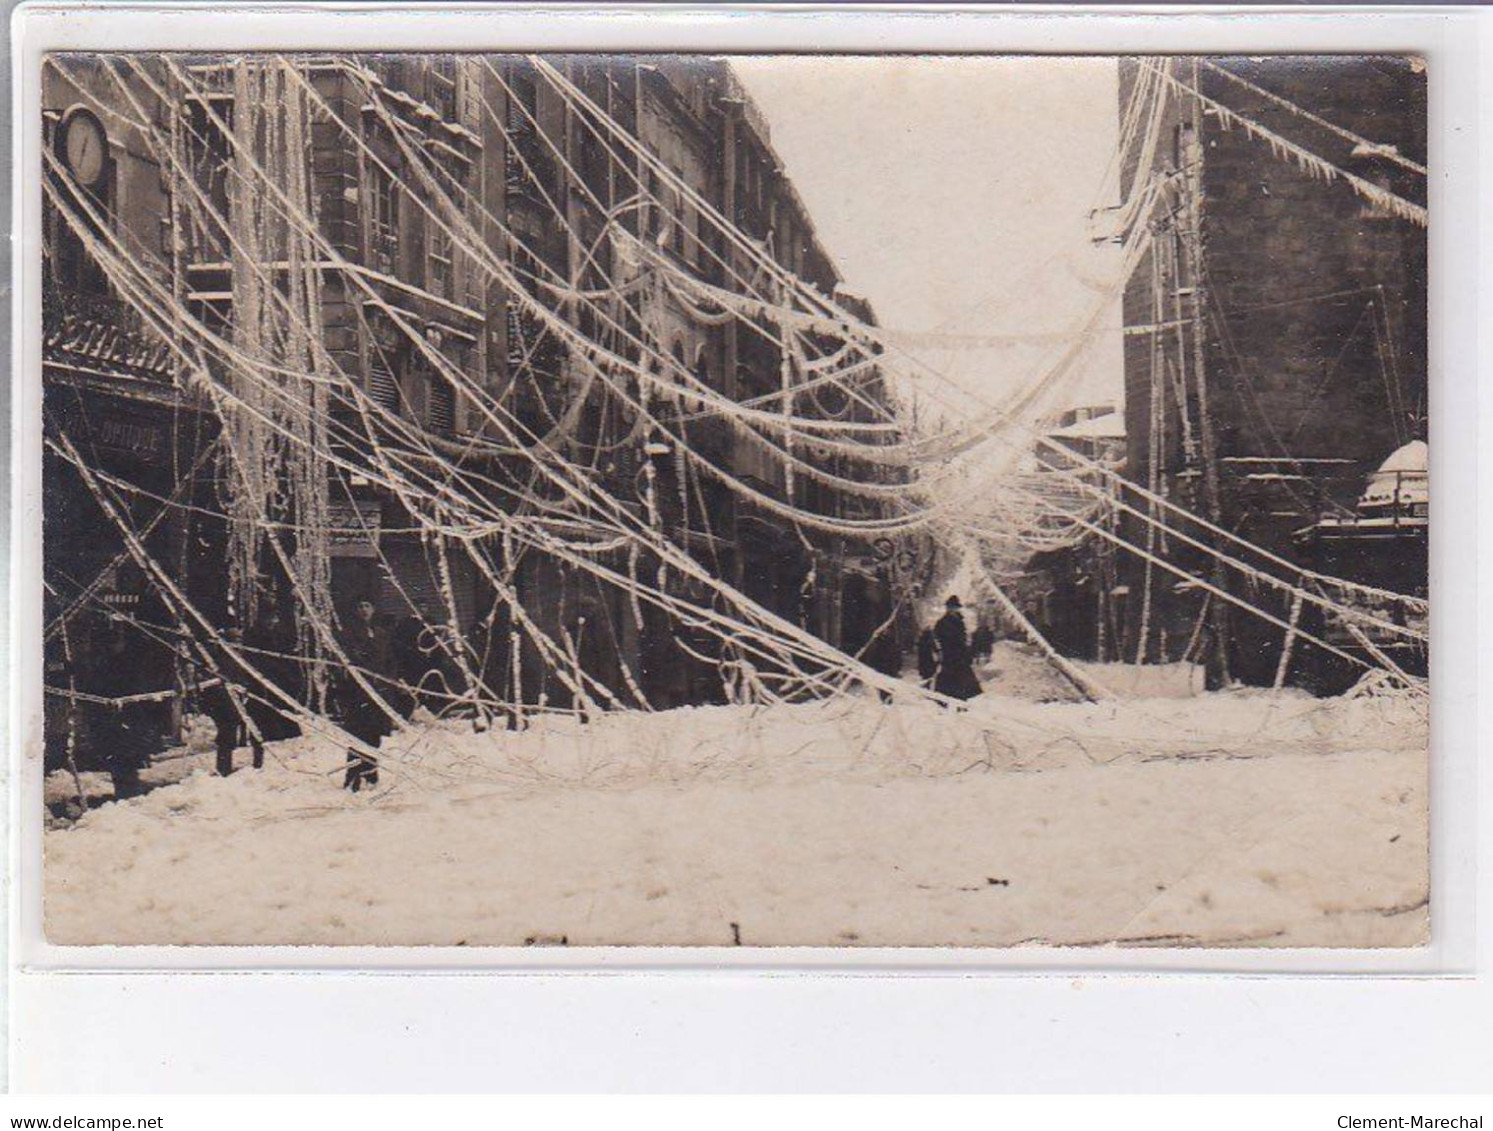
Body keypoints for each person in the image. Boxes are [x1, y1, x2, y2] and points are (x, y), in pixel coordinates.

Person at [335, 598, 394, 792]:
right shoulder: (348, 634)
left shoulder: (381, 633)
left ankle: (371, 773)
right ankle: (352, 777)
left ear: (373, 609)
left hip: (378, 691)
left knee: (374, 734)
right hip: (358, 691)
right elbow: (349, 661)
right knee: (357, 734)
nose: (364, 610)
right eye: (360, 606)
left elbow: (389, 661)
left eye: (367, 605)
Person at [243, 605, 303, 768]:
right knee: (261, 725)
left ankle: (286, 762)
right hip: (260, 686)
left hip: (279, 686)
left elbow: (288, 661)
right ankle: (260, 761)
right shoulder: (253, 636)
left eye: (273, 618)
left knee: (285, 725)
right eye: (267, 618)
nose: (271, 621)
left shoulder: (280, 636)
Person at [933, 595, 982, 702]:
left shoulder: (959, 620)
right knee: (949, 677)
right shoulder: (942, 622)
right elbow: (938, 636)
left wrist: (966, 649)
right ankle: (944, 700)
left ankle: (961, 699)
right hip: (950, 654)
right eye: (950, 607)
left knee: (961, 677)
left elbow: (963, 637)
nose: (952, 610)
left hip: (960, 654)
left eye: (954, 607)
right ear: (947, 608)